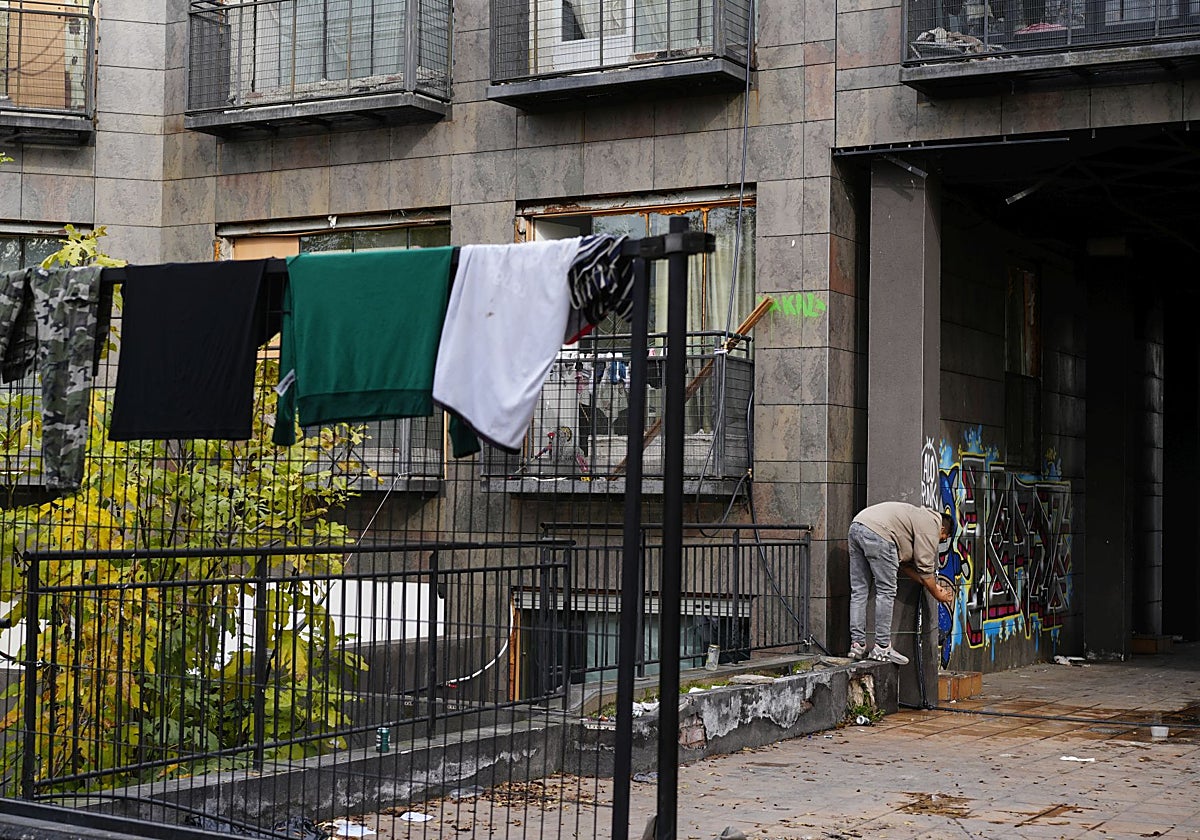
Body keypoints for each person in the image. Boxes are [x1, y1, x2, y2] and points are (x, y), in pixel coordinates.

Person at [847, 501, 955, 664]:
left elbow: (905, 566)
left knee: (859, 591)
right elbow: (925, 566)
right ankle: (882, 647)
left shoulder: (915, 518)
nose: (937, 543)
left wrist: (931, 585)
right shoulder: (932, 524)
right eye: (941, 540)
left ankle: (857, 645)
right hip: (880, 534)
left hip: (857, 526)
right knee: (886, 592)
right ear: (942, 530)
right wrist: (937, 593)